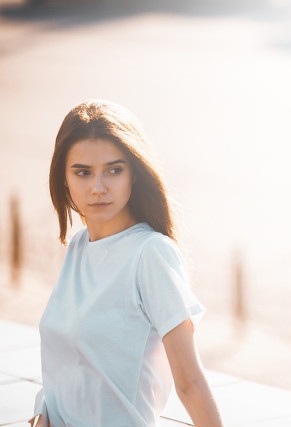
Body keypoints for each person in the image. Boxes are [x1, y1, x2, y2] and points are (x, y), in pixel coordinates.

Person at [30, 100, 224, 427]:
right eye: (82, 172)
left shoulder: (151, 255)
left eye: (114, 170)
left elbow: (190, 382)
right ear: (63, 178)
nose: (98, 188)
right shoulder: (80, 246)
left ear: (134, 173)